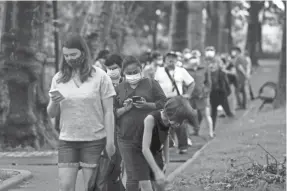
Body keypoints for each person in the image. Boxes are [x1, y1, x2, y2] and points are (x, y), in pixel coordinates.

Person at [47, 34, 116, 191]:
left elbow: (109, 112)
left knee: (92, 187)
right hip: (67, 140)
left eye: (73, 54)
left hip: (94, 140)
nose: (70, 59)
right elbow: (51, 113)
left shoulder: (100, 76)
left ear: (83, 53)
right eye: (66, 56)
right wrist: (55, 102)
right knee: (65, 186)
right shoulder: (58, 78)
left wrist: (110, 142)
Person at [114, 56, 166, 191]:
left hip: (150, 137)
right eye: (128, 73)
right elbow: (111, 112)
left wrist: (147, 105)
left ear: (141, 69)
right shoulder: (119, 88)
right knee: (132, 176)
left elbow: (164, 104)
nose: (132, 75)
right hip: (126, 138)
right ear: (123, 73)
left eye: (135, 72)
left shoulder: (151, 84)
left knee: (153, 172)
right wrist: (125, 108)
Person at [142, 96, 198, 191]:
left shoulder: (168, 121)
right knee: (146, 185)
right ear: (170, 114)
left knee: (160, 186)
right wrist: (156, 171)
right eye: (180, 121)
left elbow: (165, 138)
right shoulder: (150, 119)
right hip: (140, 155)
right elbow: (145, 149)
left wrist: (167, 161)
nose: (180, 124)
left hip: (156, 153)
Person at [154, 51, 198, 154]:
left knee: (180, 123)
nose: (171, 60)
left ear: (176, 60)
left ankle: (183, 146)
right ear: (165, 60)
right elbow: (155, 85)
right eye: (169, 58)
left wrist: (187, 95)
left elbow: (191, 83)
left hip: (177, 99)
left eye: (173, 58)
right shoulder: (159, 71)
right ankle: (164, 145)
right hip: (164, 99)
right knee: (162, 122)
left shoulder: (181, 71)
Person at [184, 50, 214, 138]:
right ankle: (188, 136)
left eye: (195, 57)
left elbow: (208, 83)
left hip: (202, 96)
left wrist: (205, 92)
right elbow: (184, 84)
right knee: (188, 116)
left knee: (206, 115)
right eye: (192, 58)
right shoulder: (186, 70)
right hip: (191, 97)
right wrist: (187, 93)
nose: (194, 60)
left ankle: (211, 132)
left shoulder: (204, 68)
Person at [208, 58, 234, 131]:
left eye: (214, 64)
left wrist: (228, 91)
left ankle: (231, 118)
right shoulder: (208, 74)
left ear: (217, 65)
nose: (212, 66)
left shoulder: (222, 73)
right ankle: (212, 129)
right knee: (213, 112)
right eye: (211, 64)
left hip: (221, 93)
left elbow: (226, 82)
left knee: (227, 109)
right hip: (213, 94)